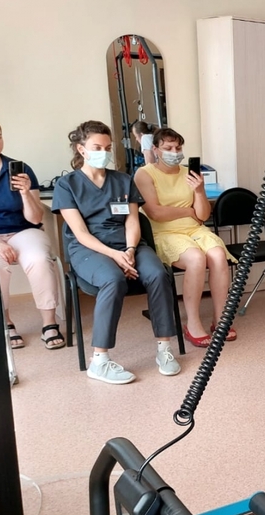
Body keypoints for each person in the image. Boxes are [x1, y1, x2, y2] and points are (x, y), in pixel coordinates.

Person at [52, 120, 181, 383]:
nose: (104, 152)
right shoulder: (67, 185)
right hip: (88, 249)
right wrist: (114, 256)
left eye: (108, 147)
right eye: (97, 147)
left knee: (158, 274)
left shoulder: (123, 180)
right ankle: (99, 361)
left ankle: (164, 349)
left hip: (128, 245)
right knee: (113, 279)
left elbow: (133, 221)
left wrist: (130, 249)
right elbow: (81, 233)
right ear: (82, 149)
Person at [134, 127, 236, 348]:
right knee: (196, 259)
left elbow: (203, 215)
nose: (174, 152)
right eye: (168, 148)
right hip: (164, 232)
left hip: (194, 229)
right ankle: (193, 324)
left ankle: (220, 319)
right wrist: (189, 211)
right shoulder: (144, 174)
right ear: (155, 149)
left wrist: (199, 191)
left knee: (218, 256)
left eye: (178, 148)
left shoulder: (189, 173)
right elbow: (155, 213)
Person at [0, 116, 64, 350]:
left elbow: (35, 218)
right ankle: (6, 322)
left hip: (23, 229)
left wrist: (26, 193)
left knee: (39, 258)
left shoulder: (20, 169)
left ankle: (49, 323)